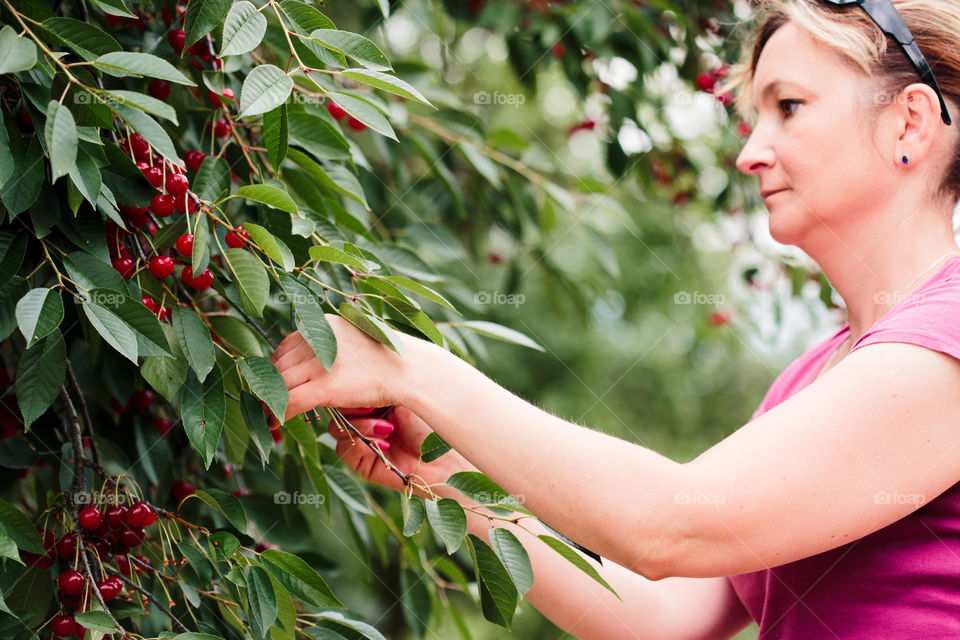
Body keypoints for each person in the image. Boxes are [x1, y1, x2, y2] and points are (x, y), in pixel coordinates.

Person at [269, 0, 960, 637]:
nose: (750, 152)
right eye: (755, 117)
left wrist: (412, 369)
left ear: (909, 122)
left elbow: (669, 525)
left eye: (789, 106)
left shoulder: (947, 343)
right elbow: (665, 615)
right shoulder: (816, 377)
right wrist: (446, 471)